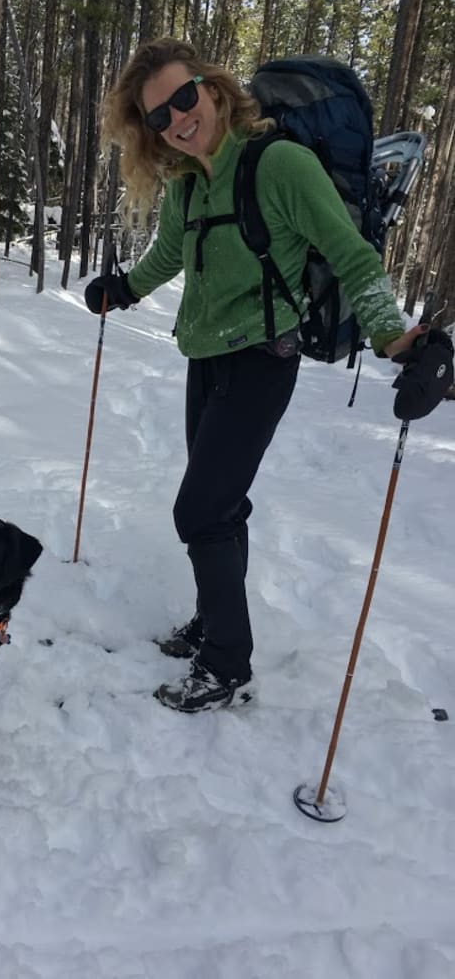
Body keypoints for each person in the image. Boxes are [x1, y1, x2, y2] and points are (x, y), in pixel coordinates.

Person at [84, 36, 448, 713]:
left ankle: (226, 663)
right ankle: (210, 623)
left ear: (213, 87)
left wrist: (397, 338)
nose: (178, 120)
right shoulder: (186, 181)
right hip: (205, 356)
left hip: (262, 360)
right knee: (222, 508)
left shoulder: (278, 163)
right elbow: (169, 254)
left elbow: (351, 255)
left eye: (183, 98)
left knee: (199, 510)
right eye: (159, 116)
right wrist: (124, 289)